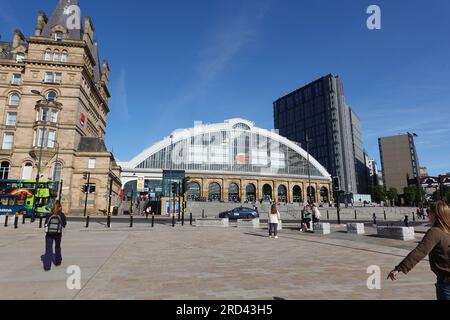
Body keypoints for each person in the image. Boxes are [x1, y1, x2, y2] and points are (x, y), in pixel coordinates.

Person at [388, 201, 450, 300]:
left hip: (446, 283)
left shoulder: (435, 232)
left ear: (435, 214)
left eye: (429, 212)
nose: (428, 215)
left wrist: (399, 268)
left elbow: (420, 252)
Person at [43, 201, 67, 272]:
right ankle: (58, 261)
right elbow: (64, 224)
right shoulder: (61, 215)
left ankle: (47, 266)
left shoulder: (49, 214)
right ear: (59, 207)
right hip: (58, 234)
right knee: (57, 247)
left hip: (49, 234)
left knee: (48, 249)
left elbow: (45, 224)